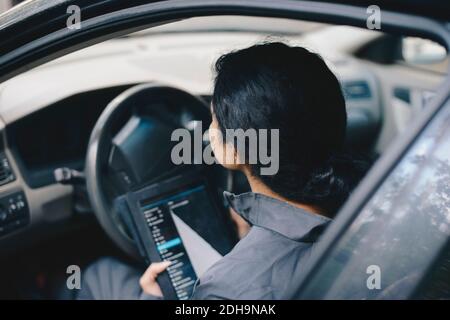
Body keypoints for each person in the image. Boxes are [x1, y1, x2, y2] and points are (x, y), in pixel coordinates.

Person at [77, 42, 367, 300]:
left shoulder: (224, 289)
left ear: (236, 150)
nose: (208, 133)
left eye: (215, 121)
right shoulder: (381, 207)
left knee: (98, 274)